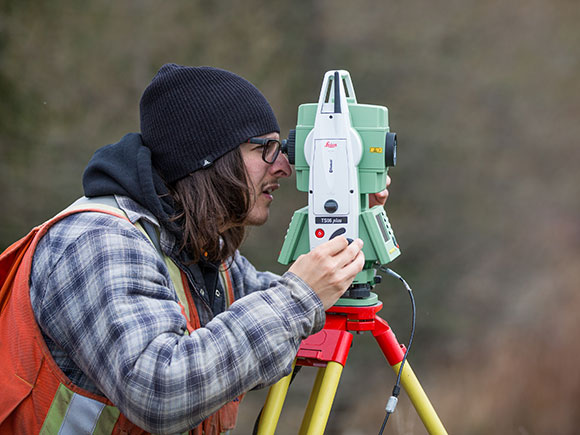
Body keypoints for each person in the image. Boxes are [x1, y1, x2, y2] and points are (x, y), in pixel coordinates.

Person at [0, 64, 389, 434]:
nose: (284, 167)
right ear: (209, 156)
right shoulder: (97, 241)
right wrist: (300, 298)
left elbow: (271, 320)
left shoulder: (197, 247)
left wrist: (349, 220)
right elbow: (159, 389)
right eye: (265, 149)